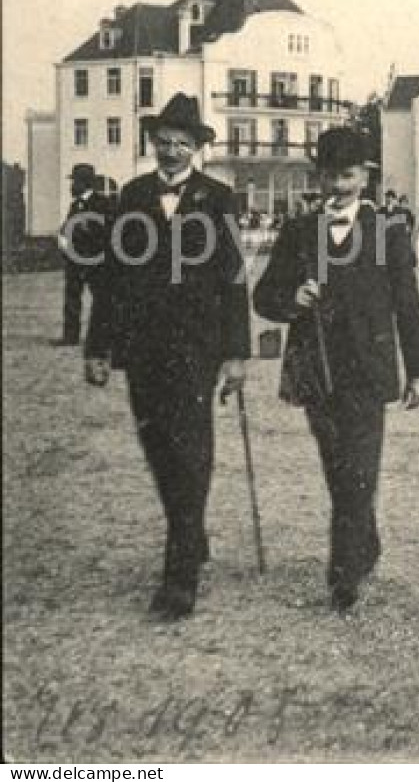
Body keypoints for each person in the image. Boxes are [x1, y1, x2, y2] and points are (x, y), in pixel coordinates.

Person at [83, 94, 251, 620]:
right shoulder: (132, 195)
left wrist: (237, 354)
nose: (171, 151)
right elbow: (111, 277)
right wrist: (98, 346)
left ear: (196, 147)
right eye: (163, 142)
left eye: (181, 143)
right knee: (157, 444)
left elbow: (233, 278)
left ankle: (180, 577)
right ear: (152, 144)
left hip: (197, 346)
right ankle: (191, 531)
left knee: (190, 449)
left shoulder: (218, 198)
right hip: (143, 345)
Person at [253, 127, 419, 612]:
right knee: (339, 470)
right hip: (317, 369)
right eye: (330, 176)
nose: (338, 186)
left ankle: (343, 573)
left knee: (359, 470)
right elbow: (264, 297)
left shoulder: (388, 231)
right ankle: (364, 542)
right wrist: (292, 298)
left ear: (365, 177)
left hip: (369, 370)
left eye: (347, 176)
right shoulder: (298, 231)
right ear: (319, 177)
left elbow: (408, 304)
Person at [56, 163, 114, 346]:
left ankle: (104, 338)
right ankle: (70, 337)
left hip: (96, 260)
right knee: (72, 297)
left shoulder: (103, 203)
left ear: (84, 183)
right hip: (75, 260)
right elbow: (68, 227)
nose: (71, 186)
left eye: (74, 182)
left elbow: (108, 230)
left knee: (102, 298)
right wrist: (63, 237)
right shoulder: (75, 205)